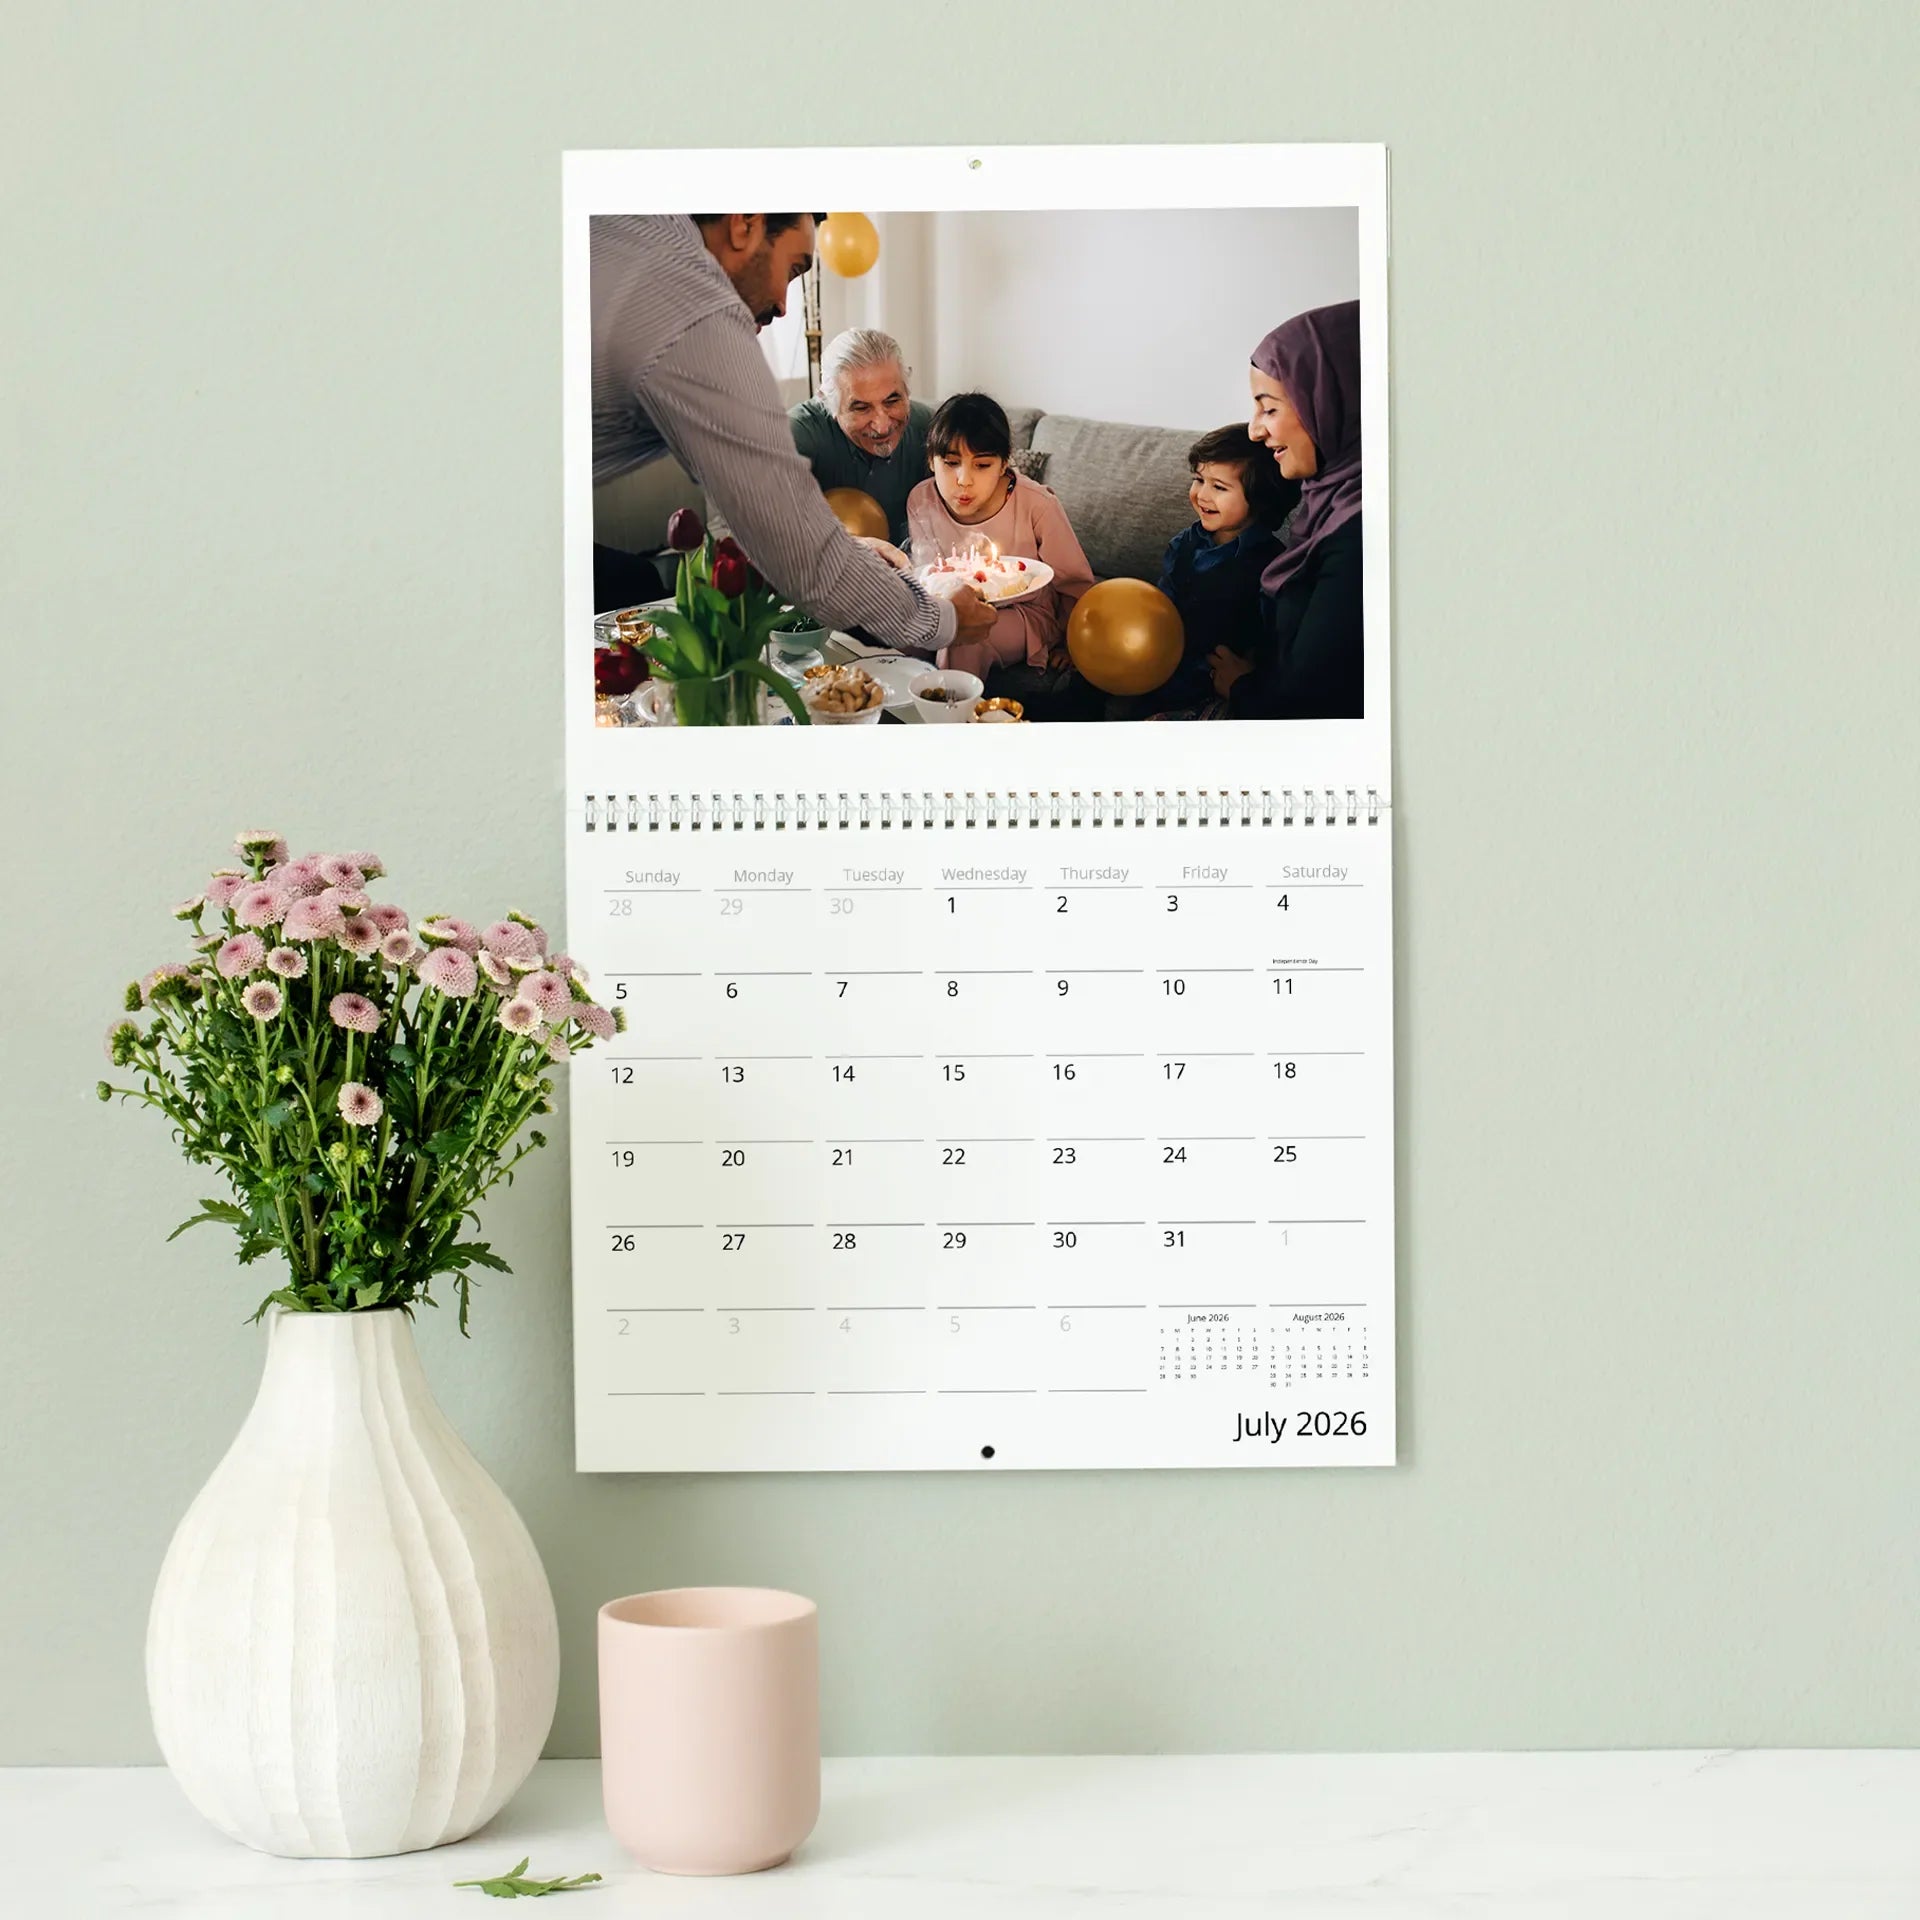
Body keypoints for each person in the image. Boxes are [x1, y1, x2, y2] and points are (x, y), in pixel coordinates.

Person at [589, 214, 991, 655]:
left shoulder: (630, 229)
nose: (783, 304)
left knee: (634, 583)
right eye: (795, 268)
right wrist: (939, 619)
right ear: (745, 224)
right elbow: (798, 547)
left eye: (892, 400)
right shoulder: (694, 308)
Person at [1211, 299, 1364, 720]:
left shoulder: (1360, 539)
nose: (1254, 430)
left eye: (1269, 407)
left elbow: (1312, 704)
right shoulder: (1328, 498)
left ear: (1331, 400)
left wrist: (1240, 686)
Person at [903, 392, 1095, 713]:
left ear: (1004, 463)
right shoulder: (921, 501)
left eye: (982, 465)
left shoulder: (1037, 505)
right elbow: (926, 575)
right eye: (950, 464)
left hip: (1026, 614)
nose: (964, 480)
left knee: (963, 640)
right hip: (947, 607)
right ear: (931, 461)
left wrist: (1072, 643)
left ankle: (950, 733)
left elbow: (1075, 583)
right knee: (899, 632)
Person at [1129, 423, 1296, 719]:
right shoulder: (1183, 544)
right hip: (1163, 668)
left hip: (1213, 685)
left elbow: (1275, 643)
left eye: (1219, 487)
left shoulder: (1273, 566)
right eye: (1199, 480)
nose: (1202, 495)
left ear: (1258, 498)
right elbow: (1160, 606)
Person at [788, 330, 933, 547]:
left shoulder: (931, 429)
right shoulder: (795, 435)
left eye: (892, 401)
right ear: (828, 404)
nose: (882, 426)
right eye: (862, 408)